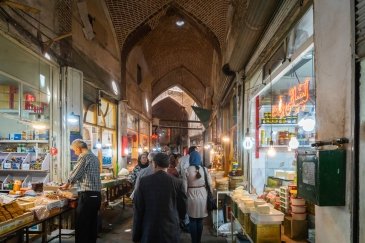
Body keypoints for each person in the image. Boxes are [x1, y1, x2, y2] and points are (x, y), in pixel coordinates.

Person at [132, 153, 187, 243]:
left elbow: (138, 209)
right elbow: (183, 208)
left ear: (155, 164)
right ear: (168, 165)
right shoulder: (178, 182)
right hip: (170, 228)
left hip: (149, 229)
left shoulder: (144, 182)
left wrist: (136, 236)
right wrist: (178, 220)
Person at [60, 139, 101, 243]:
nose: (75, 152)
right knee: (91, 223)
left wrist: (67, 183)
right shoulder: (94, 157)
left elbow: (76, 173)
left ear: (78, 148)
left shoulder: (84, 156)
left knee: (82, 225)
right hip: (96, 195)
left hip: (87, 195)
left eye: (74, 150)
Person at [183, 151, 213, 243]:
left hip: (191, 195)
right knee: (200, 220)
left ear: (191, 159)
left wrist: (185, 197)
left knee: (192, 220)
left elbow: (184, 187)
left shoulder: (186, 170)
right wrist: (210, 194)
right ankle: (198, 241)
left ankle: (194, 241)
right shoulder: (204, 169)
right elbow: (210, 184)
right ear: (199, 159)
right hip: (203, 195)